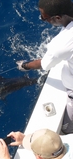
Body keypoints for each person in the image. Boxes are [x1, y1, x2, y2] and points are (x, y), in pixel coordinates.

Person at [17, 0, 73, 134]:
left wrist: (25, 65)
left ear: (58, 18)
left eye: (44, 17)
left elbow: (44, 64)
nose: (42, 19)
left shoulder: (61, 43)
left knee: (66, 128)